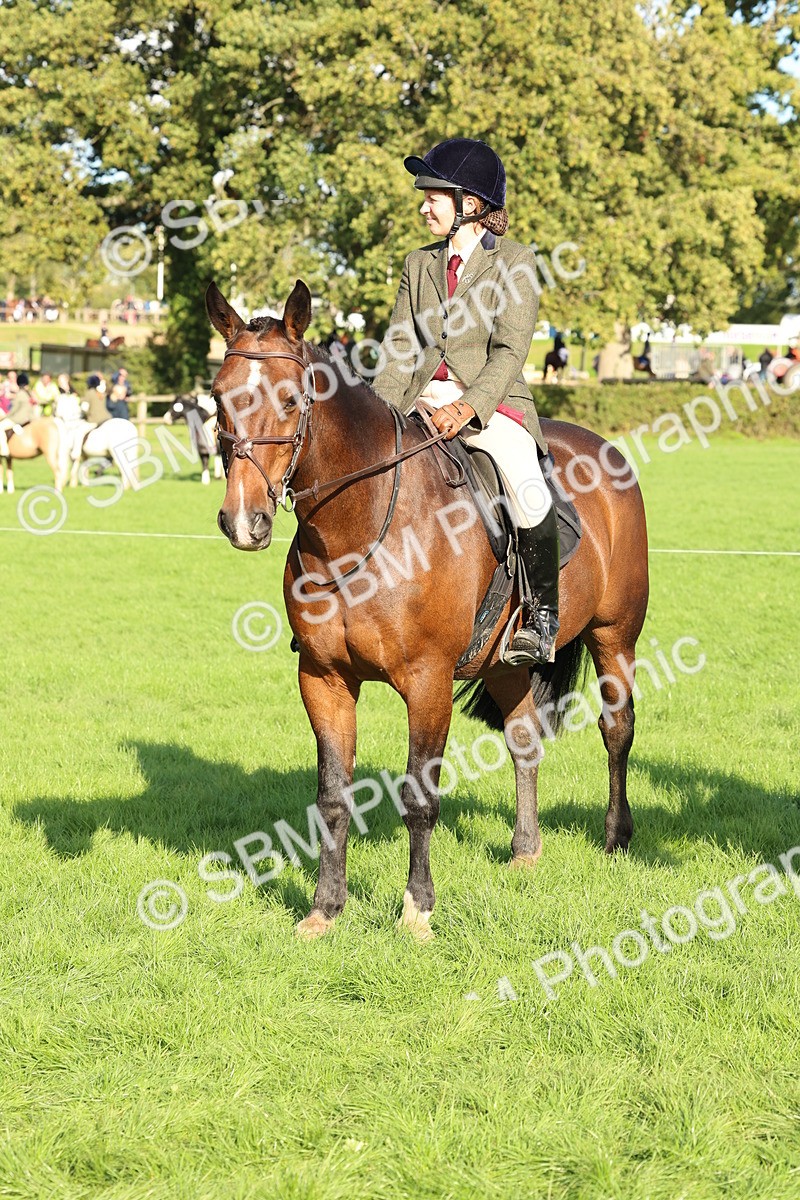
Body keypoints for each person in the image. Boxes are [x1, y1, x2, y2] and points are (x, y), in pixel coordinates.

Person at [373, 137, 558, 665]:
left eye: (432, 195)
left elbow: (509, 354)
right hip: (419, 402)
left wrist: (468, 407)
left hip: (492, 406)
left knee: (524, 482)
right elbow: (399, 350)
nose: (423, 205)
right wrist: (381, 416)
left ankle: (542, 618)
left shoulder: (515, 263)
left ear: (470, 204)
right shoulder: (418, 263)